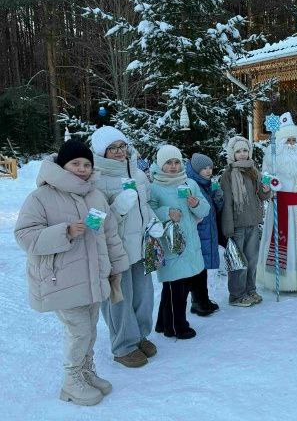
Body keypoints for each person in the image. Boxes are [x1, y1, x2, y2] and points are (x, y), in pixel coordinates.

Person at [14, 140, 129, 406]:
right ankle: (71, 381)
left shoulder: (95, 196)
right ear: (61, 165)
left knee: (90, 330)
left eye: (87, 164)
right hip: (62, 279)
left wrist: (117, 267)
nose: (82, 169)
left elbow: (110, 234)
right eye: (75, 163)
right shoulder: (41, 197)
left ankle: (86, 372)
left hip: (93, 277)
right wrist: (64, 232)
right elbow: (24, 236)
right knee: (79, 332)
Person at [91, 126, 156, 368]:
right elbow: (93, 223)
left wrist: (154, 222)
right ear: (102, 152)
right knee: (119, 299)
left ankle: (139, 336)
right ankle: (123, 346)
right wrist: (117, 208)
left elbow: (145, 205)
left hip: (140, 246)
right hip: (115, 251)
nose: (119, 152)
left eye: (122, 146)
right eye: (112, 148)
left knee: (143, 296)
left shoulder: (138, 174)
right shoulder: (96, 179)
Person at [149, 145, 210, 339]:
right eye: (168, 162)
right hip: (171, 245)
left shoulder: (189, 183)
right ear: (160, 164)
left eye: (176, 162)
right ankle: (177, 327)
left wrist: (196, 204)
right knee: (177, 287)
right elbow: (149, 212)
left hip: (190, 243)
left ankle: (163, 323)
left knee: (175, 286)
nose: (173, 166)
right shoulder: (154, 187)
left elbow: (205, 209)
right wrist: (167, 213)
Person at [257, 112, 297, 293]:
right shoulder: (272, 157)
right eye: (288, 141)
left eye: (294, 140)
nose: (291, 144)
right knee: (286, 244)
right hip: (281, 205)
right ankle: (282, 281)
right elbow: (265, 177)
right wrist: (271, 181)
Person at [220, 136, 272, 306]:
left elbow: (262, 196)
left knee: (252, 260)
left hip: (253, 223)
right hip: (237, 226)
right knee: (239, 263)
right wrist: (228, 228)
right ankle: (236, 295)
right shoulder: (228, 175)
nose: (242, 154)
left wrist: (266, 190)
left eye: (245, 150)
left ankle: (250, 290)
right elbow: (227, 203)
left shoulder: (253, 171)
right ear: (232, 154)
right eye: (238, 151)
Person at [186, 153, 223, 316]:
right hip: (198, 232)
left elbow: (215, 209)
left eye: (210, 168)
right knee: (198, 269)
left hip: (207, 231)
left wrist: (217, 194)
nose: (208, 171)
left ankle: (202, 299)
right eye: (204, 169)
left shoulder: (206, 184)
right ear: (196, 170)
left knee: (202, 269)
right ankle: (198, 302)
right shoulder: (192, 185)